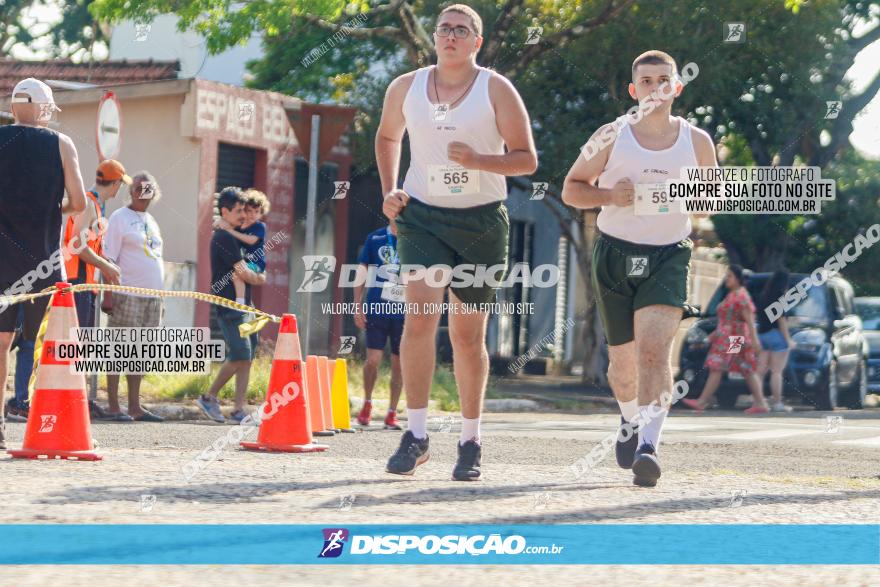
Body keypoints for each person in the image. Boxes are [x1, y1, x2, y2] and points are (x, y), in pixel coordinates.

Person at [377, 4, 538, 480]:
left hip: (481, 222)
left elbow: (526, 159)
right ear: (435, 37)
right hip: (422, 217)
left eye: (461, 30)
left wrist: (479, 159)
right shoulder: (405, 87)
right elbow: (388, 137)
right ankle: (417, 434)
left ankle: (470, 441)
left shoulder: (496, 89)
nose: (450, 35)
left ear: (476, 42)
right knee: (419, 321)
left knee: (467, 337)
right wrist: (391, 189)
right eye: (444, 28)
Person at [561, 51, 718, 487]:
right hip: (615, 252)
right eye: (646, 81)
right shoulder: (611, 135)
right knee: (623, 365)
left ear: (677, 87)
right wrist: (610, 196)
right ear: (634, 90)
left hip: (669, 253)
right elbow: (572, 190)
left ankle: (649, 446)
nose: (655, 88)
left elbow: (712, 201)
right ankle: (629, 420)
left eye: (663, 80)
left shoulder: (697, 141)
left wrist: (688, 196)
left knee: (655, 350)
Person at [0, 78, 87, 450]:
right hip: (46, 261)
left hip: (3, 259)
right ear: (41, 107)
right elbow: (80, 201)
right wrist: (53, 208)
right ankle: (52, 424)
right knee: (51, 343)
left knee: (1, 341)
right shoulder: (61, 144)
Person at [63, 159, 127, 420]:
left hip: (85, 283)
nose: (119, 189)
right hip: (77, 281)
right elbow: (77, 245)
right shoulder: (89, 204)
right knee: (76, 345)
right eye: (120, 184)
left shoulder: (95, 205)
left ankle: (81, 401)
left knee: (84, 345)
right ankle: (72, 402)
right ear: (115, 184)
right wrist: (105, 265)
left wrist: (104, 263)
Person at [101, 173, 166, 422]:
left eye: (149, 187)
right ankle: (114, 407)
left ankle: (135, 407)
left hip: (153, 298)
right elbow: (109, 259)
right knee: (119, 350)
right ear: (131, 191)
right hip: (126, 295)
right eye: (138, 187)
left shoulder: (151, 220)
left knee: (141, 352)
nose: (143, 191)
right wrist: (109, 294)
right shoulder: (120, 218)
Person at [197, 187, 266, 424]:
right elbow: (243, 272)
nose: (243, 215)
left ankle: (239, 409)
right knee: (239, 353)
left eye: (245, 211)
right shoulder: (224, 237)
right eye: (238, 211)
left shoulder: (234, 233)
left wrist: (255, 277)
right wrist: (259, 278)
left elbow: (250, 269)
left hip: (245, 306)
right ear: (224, 211)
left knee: (246, 356)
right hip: (230, 307)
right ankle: (209, 397)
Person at [682, 265, 769, 414]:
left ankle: (702, 401)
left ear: (738, 278)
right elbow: (725, 321)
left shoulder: (741, 296)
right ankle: (760, 403)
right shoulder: (732, 294)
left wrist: (755, 340)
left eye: (729, 276)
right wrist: (709, 338)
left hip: (734, 339)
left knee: (717, 366)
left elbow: (749, 320)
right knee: (745, 368)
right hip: (728, 338)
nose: (726, 279)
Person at [354, 222, 405, 430]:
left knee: (399, 365)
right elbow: (361, 271)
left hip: (404, 312)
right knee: (373, 360)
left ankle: (392, 412)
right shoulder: (375, 238)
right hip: (377, 307)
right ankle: (367, 402)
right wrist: (357, 306)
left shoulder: (416, 237)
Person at [214, 188, 268, 305]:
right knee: (237, 274)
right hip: (244, 261)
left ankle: (240, 303)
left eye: (257, 211)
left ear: (262, 213)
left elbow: (251, 241)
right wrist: (220, 223)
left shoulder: (260, 227)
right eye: (249, 211)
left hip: (256, 263)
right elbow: (223, 224)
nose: (253, 215)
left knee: (236, 274)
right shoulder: (239, 226)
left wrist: (230, 231)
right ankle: (241, 302)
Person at [755, 269, 795, 412]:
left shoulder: (763, 296)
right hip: (777, 336)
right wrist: (788, 339)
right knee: (776, 372)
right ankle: (777, 403)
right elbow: (781, 320)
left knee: (760, 371)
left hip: (763, 335)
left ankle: (758, 401)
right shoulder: (780, 298)